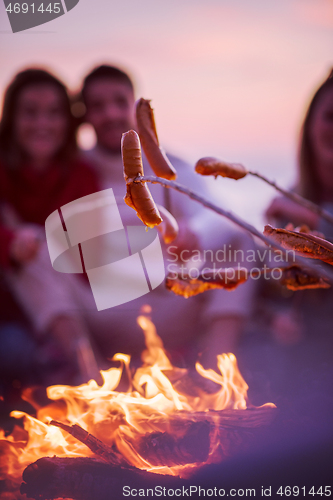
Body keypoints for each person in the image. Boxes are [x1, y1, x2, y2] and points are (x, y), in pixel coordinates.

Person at [79, 64, 255, 366]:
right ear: (85, 115)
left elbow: (219, 214)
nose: (109, 114)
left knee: (240, 241)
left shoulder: (169, 168)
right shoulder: (75, 171)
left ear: (135, 106)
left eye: (119, 102)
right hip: (100, 316)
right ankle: (85, 371)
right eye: (98, 106)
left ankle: (219, 374)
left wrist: (195, 232)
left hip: (171, 307)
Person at [0, 68, 101, 385]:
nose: (42, 124)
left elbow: (91, 262)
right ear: (12, 120)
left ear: (68, 122)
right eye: (30, 113)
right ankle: (87, 374)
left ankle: (83, 370)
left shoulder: (82, 175)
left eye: (54, 113)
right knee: (16, 351)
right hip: (10, 315)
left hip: (72, 307)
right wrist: (12, 243)